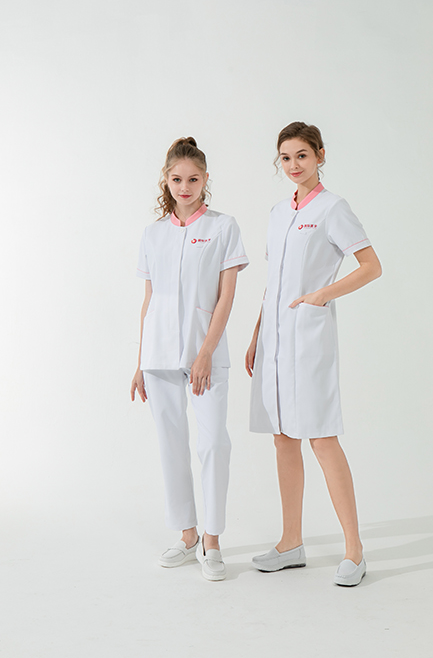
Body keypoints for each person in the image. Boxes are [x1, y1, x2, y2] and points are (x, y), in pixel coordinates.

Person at [246, 122, 381, 586]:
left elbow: (371, 266)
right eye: (285, 157)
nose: (293, 165)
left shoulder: (332, 208)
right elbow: (274, 282)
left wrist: (322, 295)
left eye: (302, 155)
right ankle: (291, 543)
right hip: (274, 339)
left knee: (321, 437)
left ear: (320, 155)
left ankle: (354, 551)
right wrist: (257, 333)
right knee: (283, 437)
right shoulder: (278, 212)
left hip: (308, 338)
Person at [131, 137, 248, 581]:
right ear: (166, 179)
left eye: (193, 179)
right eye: (177, 179)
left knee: (213, 443)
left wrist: (205, 353)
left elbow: (226, 298)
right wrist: (140, 361)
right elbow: (149, 300)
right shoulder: (153, 234)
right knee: (171, 444)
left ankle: (212, 542)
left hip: (205, 354)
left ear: (205, 180)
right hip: (159, 355)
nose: (185, 187)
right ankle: (186, 535)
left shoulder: (223, 227)